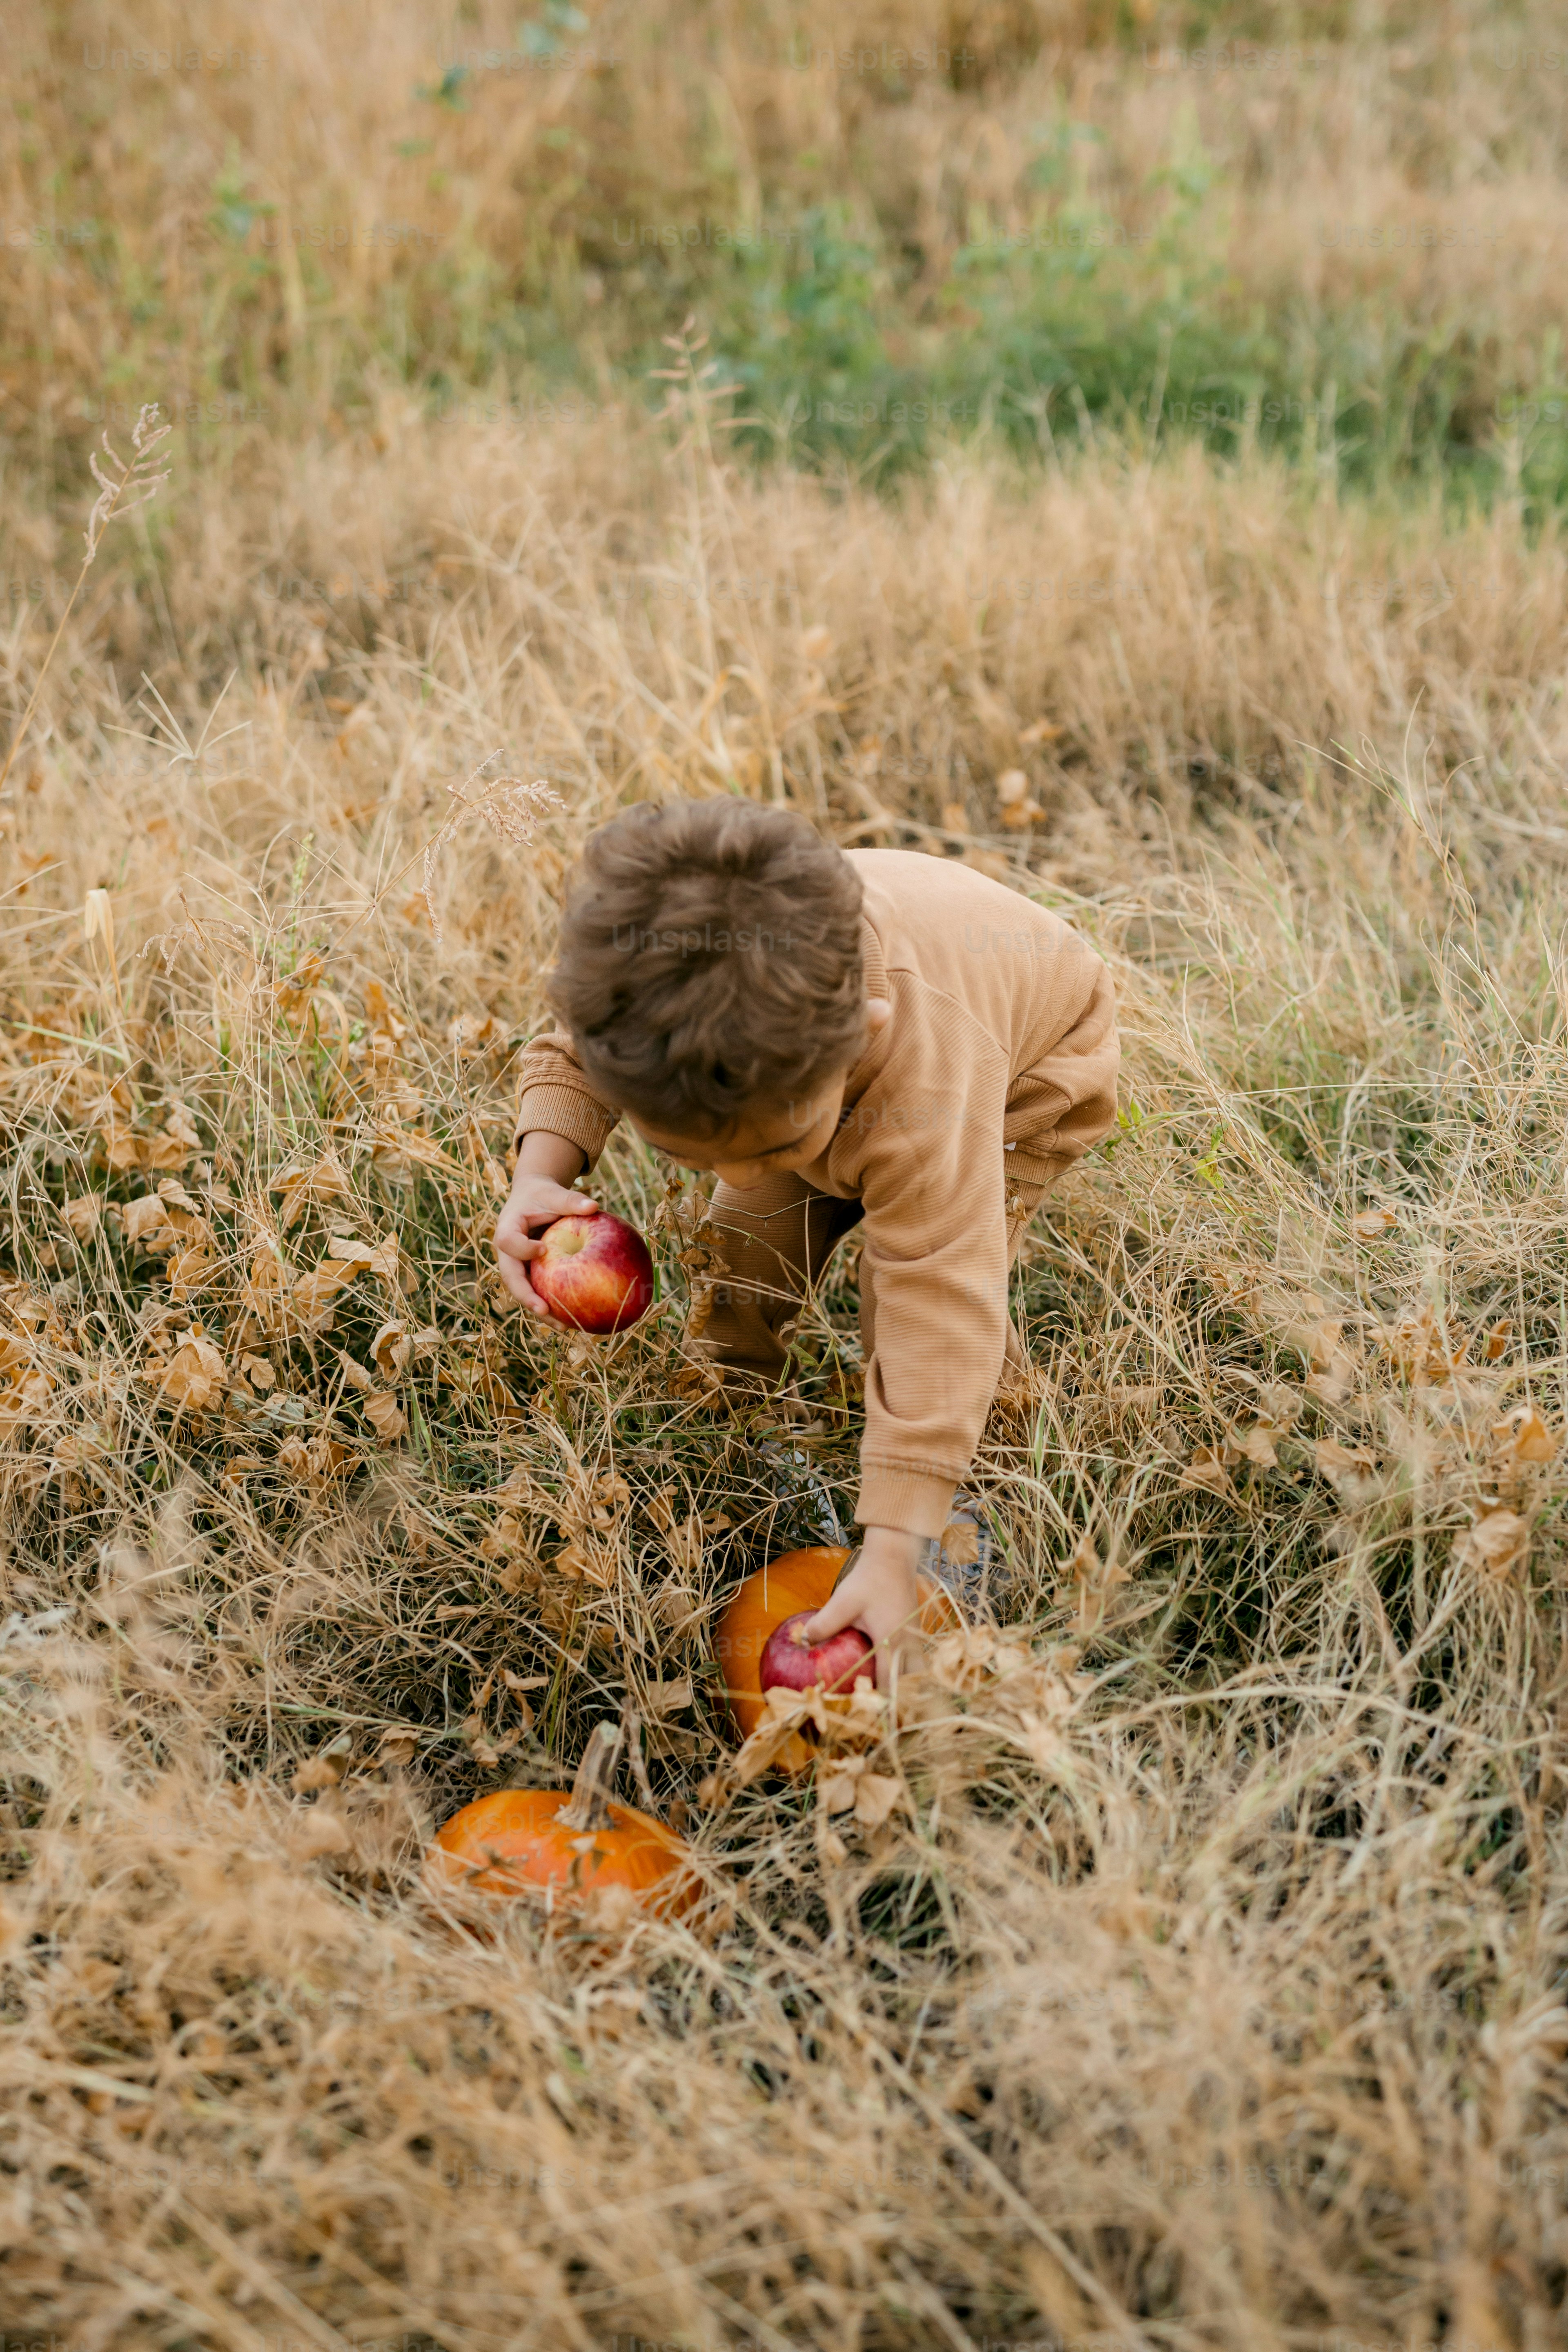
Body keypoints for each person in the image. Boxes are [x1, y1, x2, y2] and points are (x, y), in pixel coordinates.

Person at [494, 797, 1119, 1670]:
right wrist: (540, 1176)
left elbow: (940, 1292)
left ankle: (974, 1500)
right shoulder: (664, 997)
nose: (742, 1176)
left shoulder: (924, 1076)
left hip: (1028, 1072)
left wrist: (892, 1546)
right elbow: (572, 1050)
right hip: (820, 1070)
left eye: (776, 1148)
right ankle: (725, 1419)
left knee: (915, 1293)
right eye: (702, 1156)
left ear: (860, 1037)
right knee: (745, 1238)